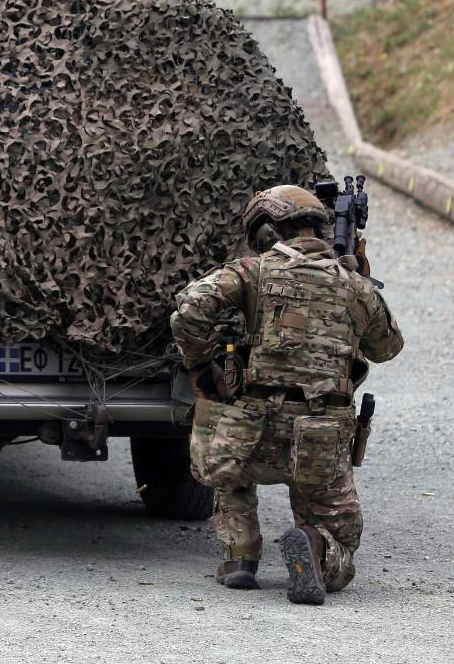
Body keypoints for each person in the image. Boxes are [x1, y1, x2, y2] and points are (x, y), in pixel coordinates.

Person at [170, 184, 403, 604]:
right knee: (341, 536)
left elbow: (188, 309)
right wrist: (360, 284)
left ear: (266, 231)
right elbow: (387, 349)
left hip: (250, 430)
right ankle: (315, 546)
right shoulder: (354, 285)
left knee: (231, 473)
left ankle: (240, 556)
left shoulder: (250, 271)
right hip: (320, 435)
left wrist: (202, 365)